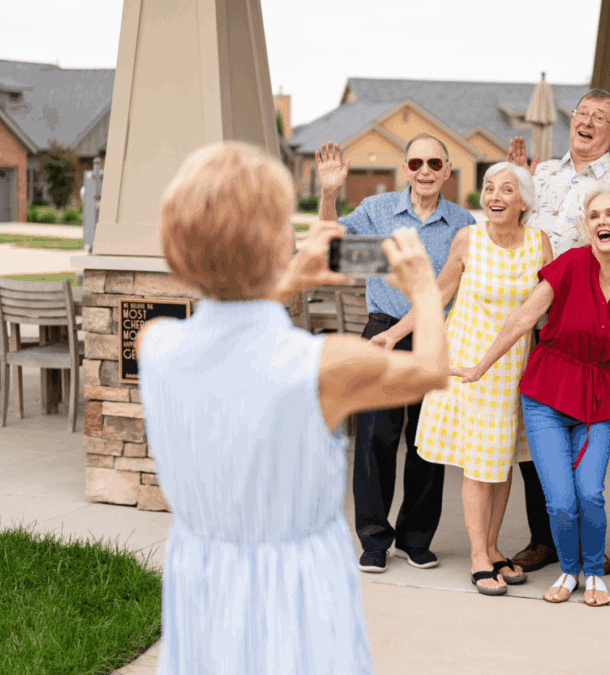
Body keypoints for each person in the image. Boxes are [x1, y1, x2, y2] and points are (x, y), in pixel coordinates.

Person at [137, 141, 450, 673]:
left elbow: (233, 319)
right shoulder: (324, 366)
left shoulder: (156, 343)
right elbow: (431, 371)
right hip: (295, 585)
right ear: (276, 242)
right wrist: (422, 285)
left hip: (200, 574)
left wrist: (288, 281)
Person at [455, 185, 610, 607]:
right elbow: (523, 317)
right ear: (585, 226)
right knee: (559, 499)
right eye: (594, 216)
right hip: (547, 393)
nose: (603, 222)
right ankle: (569, 570)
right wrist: (481, 366)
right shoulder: (570, 265)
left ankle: (592, 572)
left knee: (589, 492)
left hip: (598, 397)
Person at [375, 162, 553, 595]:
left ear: (523, 201)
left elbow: (549, 308)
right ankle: (478, 555)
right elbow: (437, 296)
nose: (494, 196)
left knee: (501, 462)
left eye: (506, 189)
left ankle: (492, 547)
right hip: (468, 367)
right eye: (489, 188)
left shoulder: (539, 243)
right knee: (480, 462)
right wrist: (395, 333)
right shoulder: (468, 239)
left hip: (514, 369)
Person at [316, 134, 475, 573]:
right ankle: (373, 540)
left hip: (435, 335)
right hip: (383, 332)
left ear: (446, 170)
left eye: (434, 163)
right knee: (373, 440)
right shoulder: (378, 210)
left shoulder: (462, 223)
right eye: (417, 162)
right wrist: (330, 194)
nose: (425, 171)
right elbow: (336, 253)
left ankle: (416, 538)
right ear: (406, 168)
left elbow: (461, 286)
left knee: (429, 440)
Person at [505, 87, 610, 575]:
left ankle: (584, 538)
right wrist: (512, 182)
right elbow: (514, 229)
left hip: (584, 333)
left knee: (583, 435)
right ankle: (545, 537)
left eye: (598, 117)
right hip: (533, 324)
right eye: (581, 113)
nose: (585, 122)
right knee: (533, 438)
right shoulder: (542, 174)